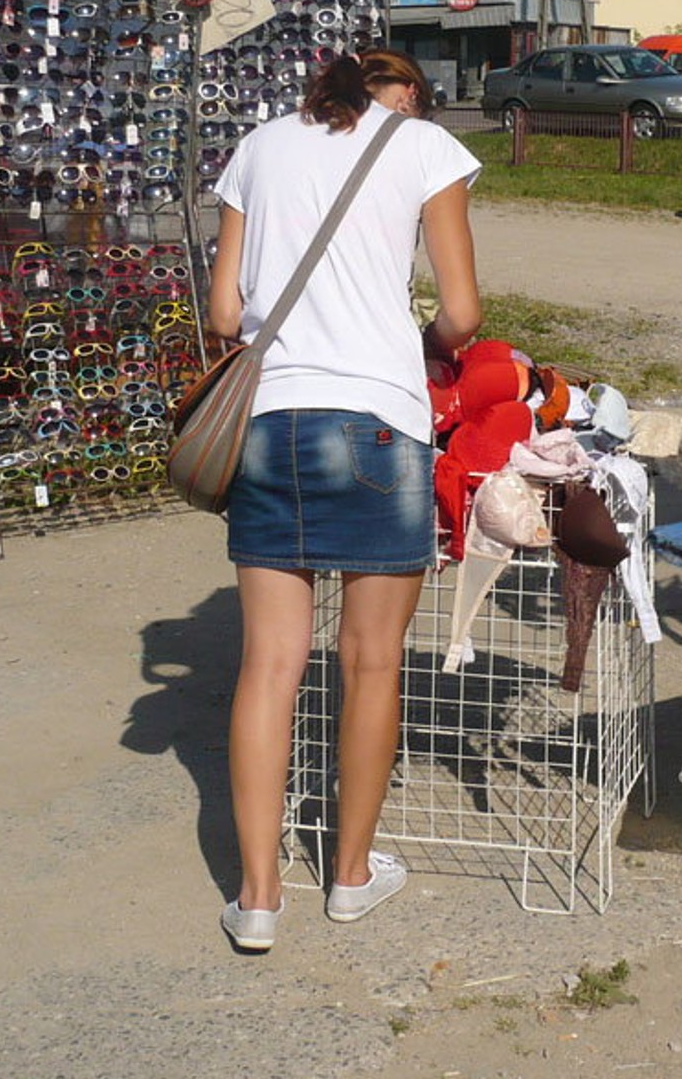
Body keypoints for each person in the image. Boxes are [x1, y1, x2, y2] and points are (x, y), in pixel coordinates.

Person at [205, 49, 482, 952]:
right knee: (370, 662)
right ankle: (351, 878)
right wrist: (423, 341)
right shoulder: (425, 147)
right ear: (391, 93)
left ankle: (256, 898)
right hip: (376, 423)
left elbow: (222, 313)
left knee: (269, 666)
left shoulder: (256, 148)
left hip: (270, 419)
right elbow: (464, 314)